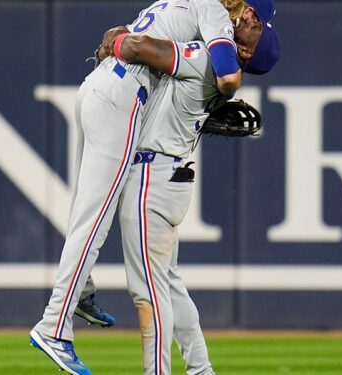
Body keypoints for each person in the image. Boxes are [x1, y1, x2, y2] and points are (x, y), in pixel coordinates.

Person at [28, 2, 249, 375]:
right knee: (95, 220)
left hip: (98, 84)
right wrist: (222, 92)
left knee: (86, 211)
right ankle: (54, 325)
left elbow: (119, 35)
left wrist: (116, 42)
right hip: (124, 97)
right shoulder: (211, 8)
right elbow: (227, 74)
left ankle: (79, 294)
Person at [111, 18, 279, 375]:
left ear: (247, 51)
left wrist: (115, 40)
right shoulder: (217, 69)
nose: (246, 19)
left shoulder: (206, 58)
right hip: (168, 178)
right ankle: (201, 370)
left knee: (149, 292)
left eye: (254, 29)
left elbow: (141, 49)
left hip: (151, 178)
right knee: (167, 284)